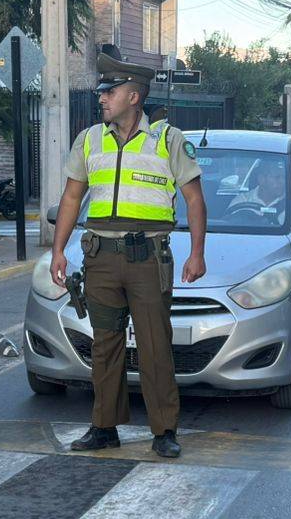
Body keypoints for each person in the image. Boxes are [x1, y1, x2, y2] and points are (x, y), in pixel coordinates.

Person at [50, 51, 207, 459]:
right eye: (102, 92)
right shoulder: (89, 139)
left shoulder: (167, 140)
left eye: (110, 91)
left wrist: (197, 253)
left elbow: (194, 199)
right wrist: (58, 251)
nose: (102, 98)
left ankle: (164, 430)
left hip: (147, 258)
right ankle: (104, 427)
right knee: (105, 344)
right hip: (100, 256)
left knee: (155, 346)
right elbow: (71, 197)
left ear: (134, 97)